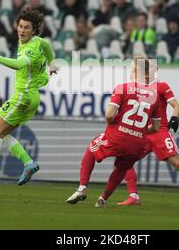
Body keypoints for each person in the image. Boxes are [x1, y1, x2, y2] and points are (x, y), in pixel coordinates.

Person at [0, 8, 58, 187]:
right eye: (20, 26)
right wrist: (52, 63)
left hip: (23, 96)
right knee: (3, 134)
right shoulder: (38, 42)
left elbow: (18, 64)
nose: (22, 30)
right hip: (33, 96)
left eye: (26, 28)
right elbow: (47, 46)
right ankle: (29, 163)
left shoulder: (29, 49)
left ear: (34, 29)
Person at [118, 63, 179, 209]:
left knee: (178, 163)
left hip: (159, 132)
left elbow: (177, 107)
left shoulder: (162, 86)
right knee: (125, 160)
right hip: (143, 132)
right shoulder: (135, 89)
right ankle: (133, 196)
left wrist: (174, 119)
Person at [66, 56, 161, 207]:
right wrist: (138, 130)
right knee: (122, 168)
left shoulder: (122, 87)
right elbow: (156, 127)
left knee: (92, 149)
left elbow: (109, 115)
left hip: (118, 136)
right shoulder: (154, 96)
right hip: (137, 143)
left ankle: (82, 188)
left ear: (135, 69)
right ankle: (102, 199)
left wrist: (115, 123)